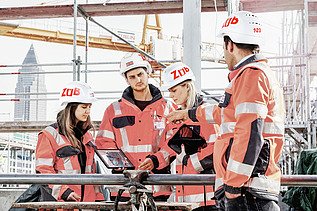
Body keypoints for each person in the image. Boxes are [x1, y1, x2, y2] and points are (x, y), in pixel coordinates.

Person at [166, 11, 285, 211]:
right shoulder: (256, 75)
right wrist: (187, 115)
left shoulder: (251, 76)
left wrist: (233, 187)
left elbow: (249, 133)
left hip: (246, 190)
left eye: (224, 46)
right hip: (251, 186)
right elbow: (226, 114)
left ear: (230, 45)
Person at [95, 52, 177, 201]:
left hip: (157, 186)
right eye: (132, 77)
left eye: (140, 74)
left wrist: (156, 160)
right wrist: (121, 164)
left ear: (148, 72)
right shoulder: (113, 110)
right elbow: (103, 142)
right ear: (126, 80)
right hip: (124, 187)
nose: (138, 80)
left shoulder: (168, 108)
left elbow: (174, 143)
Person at [139, 62, 219, 210]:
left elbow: (217, 148)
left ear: (187, 87)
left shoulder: (205, 114)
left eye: (174, 90)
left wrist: (192, 163)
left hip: (208, 199)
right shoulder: (177, 118)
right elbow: (170, 148)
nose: (171, 95)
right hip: (184, 197)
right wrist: (154, 160)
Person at [35, 81, 104, 202]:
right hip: (63, 203)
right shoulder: (49, 135)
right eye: (83, 107)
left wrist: (99, 199)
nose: (88, 111)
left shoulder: (87, 136)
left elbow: (93, 172)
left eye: (89, 107)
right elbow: (43, 171)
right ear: (71, 108)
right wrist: (64, 192)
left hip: (88, 203)